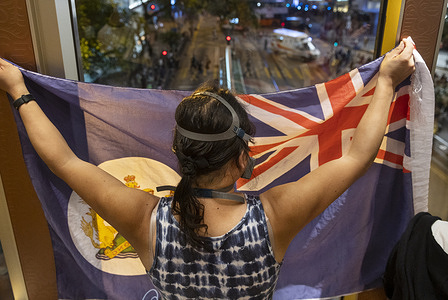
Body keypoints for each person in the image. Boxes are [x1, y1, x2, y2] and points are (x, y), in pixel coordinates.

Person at [0, 37, 415, 299]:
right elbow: (358, 156)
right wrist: (385, 82)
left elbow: (63, 160)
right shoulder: (274, 216)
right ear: (240, 159)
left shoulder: (144, 220)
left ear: (179, 154)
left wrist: (19, 91)